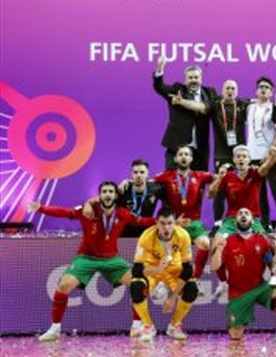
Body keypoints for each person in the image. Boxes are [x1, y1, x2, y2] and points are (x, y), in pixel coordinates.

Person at [28, 182, 154, 342]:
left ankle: (136, 325)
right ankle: (55, 329)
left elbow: (142, 221)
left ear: (115, 196)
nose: (107, 194)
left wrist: (166, 221)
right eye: (104, 191)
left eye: (110, 192)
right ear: (99, 195)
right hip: (86, 258)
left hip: (112, 260)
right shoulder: (87, 211)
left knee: (140, 283)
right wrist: (41, 208)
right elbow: (65, 212)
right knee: (63, 286)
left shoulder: (123, 213)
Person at [210, 208, 276, 342]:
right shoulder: (228, 241)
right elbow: (215, 266)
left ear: (253, 220)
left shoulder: (261, 240)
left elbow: (271, 266)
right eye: (239, 213)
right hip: (238, 293)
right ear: (235, 221)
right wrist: (219, 249)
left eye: (247, 213)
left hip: (259, 288)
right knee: (235, 335)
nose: (243, 215)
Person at [129, 208, 197, 342]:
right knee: (136, 286)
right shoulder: (146, 237)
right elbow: (137, 270)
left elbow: (188, 269)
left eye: (170, 223)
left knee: (192, 289)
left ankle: (174, 325)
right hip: (153, 271)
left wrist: (173, 297)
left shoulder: (183, 235)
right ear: (156, 223)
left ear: (175, 223)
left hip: (174, 271)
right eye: (163, 223)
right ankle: (148, 326)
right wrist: (157, 269)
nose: (166, 227)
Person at [153, 145, 216, 279]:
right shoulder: (166, 176)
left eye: (187, 154)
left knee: (205, 243)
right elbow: (146, 182)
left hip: (194, 223)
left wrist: (212, 190)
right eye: (180, 154)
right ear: (175, 159)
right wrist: (127, 182)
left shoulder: (200, 176)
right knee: (165, 250)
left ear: (191, 159)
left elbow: (219, 177)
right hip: (173, 225)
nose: (183, 157)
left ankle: (195, 279)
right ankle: (165, 282)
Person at [152, 56, 217, 171]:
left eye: (196, 77)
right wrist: (159, 69)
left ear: (201, 78)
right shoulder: (177, 90)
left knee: (199, 183)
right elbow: (159, 87)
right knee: (172, 182)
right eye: (190, 77)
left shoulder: (210, 93)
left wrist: (181, 102)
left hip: (200, 148)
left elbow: (205, 108)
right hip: (176, 145)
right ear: (185, 79)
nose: (193, 80)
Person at [208, 145, 276, 235]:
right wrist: (220, 178)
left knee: (265, 244)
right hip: (232, 219)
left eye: (244, 156)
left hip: (252, 219)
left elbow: (266, 167)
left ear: (249, 160)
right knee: (217, 243)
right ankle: (217, 224)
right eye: (238, 156)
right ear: (234, 160)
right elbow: (211, 195)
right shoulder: (227, 177)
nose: (241, 159)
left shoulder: (255, 173)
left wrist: (272, 156)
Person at [246, 76, 276, 224]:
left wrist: (272, 152)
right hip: (252, 156)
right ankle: (264, 223)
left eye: (267, 87)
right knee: (258, 193)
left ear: (271, 92)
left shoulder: (274, 108)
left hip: (269, 157)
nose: (264, 89)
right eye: (261, 87)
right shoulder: (249, 107)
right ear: (256, 91)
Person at [207, 79, 250, 222]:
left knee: (242, 188)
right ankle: (218, 223)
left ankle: (242, 221)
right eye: (227, 88)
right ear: (222, 91)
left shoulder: (244, 105)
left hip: (240, 154)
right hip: (221, 154)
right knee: (220, 188)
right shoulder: (215, 106)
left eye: (233, 88)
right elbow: (201, 107)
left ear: (237, 92)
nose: (230, 91)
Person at [117, 159, 165, 238]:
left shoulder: (156, 188)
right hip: (126, 235)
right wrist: (90, 203)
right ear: (131, 175)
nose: (138, 175)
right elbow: (106, 199)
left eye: (142, 172)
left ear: (147, 175)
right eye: (135, 172)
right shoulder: (124, 189)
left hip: (147, 234)